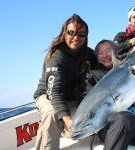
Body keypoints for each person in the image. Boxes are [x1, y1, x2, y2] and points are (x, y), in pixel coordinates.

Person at [33, 14, 97, 150]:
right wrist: (67, 120)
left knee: (87, 121)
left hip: (73, 97)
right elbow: (54, 93)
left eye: (81, 34)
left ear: (86, 36)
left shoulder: (89, 54)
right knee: (52, 114)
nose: (76, 37)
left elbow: (106, 63)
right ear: (64, 33)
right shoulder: (57, 57)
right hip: (48, 95)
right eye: (71, 32)